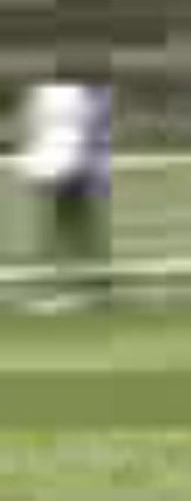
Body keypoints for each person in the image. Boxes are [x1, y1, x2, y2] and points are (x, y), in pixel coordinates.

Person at [16, 42, 112, 312]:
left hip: (44, 168)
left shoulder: (40, 93)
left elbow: (27, 126)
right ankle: (86, 289)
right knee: (80, 232)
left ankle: (52, 290)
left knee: (54, 232)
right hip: (71, 168)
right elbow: (93, 131)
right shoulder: (84, 95)